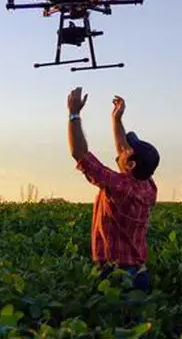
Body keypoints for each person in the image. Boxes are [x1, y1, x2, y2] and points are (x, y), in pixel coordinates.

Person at [66, 87, 159, 292]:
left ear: (131, 164)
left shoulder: (120, 187)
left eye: (127, 149)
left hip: (117, 276)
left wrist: (74, 114)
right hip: (139, 273)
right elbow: (123, 154)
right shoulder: (148, 187)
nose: (122, 149)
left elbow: (79, 154)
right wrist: (116, 119)